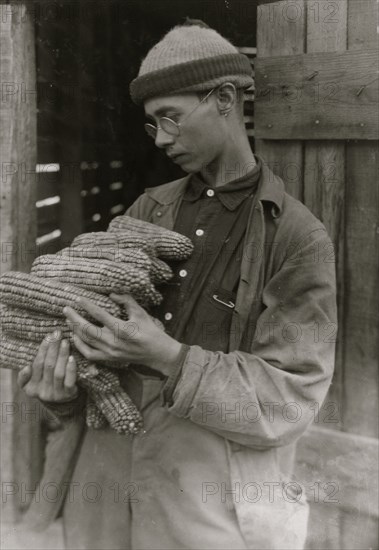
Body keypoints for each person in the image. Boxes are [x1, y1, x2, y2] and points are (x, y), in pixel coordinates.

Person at [18, 20, 337, 550]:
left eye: (171, 117)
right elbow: (96, 341)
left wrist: (170, 357)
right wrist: (64, 392)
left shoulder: (297, 237)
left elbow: (292, 398)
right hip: (107, 470)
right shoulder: (148, 209)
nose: (162, 138)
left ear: (226, 99)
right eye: (152, 124)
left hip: (212, 485)